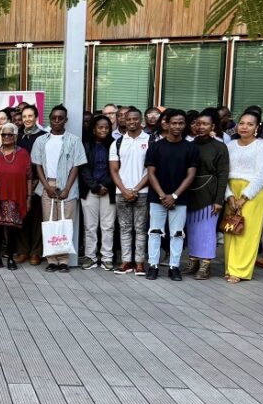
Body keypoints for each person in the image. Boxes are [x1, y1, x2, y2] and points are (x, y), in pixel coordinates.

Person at [31, 105, 87, 273]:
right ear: (49, 118)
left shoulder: (74, 140)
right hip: (47, 185)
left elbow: (77, 166)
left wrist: (67, 189)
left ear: (65, 120)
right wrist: (47, 186)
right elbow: (38, 165)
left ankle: (63, 260)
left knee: (65, 223)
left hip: (67, 186)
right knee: (49, 223)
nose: (56, 121)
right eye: (53, 118)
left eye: (60, 118)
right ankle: (52, 260)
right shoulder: (41, 140)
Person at [144, 112, 199, 281]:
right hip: (157, 197)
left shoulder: (190, 147)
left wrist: (174, 195)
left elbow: (191, 175)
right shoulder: (155, 146)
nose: (177, 126)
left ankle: (174, 267)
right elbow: (150, 173)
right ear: (166, 124)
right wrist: (162, 195)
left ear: (185, 125)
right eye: (173, 123)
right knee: (154, 232)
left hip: (179, 198)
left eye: (181, 123)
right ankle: (153, 265)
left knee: (177, 233)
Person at [224, 111, 263, 283]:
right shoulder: (230, 145)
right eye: (242, 123)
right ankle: (230, 267)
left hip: (253, 191)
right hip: (231, 189)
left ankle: (240, 270)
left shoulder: (262, 146)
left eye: (250, 124)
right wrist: (229, 196)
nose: (245, 127)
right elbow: (223, 173)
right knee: (232, 228)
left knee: (247, 231)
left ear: (257, 127)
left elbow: (262, 175)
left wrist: (244, 198)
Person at [184, 109, 230, 280]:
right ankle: (193, 260)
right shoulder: (189, 144)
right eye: (198, 123)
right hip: (190, 192)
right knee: (192, 229)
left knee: (207, 230)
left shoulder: (219, 146)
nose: (200, 127)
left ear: (213, 126)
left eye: (205, 124)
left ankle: (205, 265)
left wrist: (219, 200)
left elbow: (223, 174)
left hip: (210, 193)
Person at [0, 123, 31, 270]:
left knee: (12, 229)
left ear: (15, 136)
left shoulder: (23, 154)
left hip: (15, 196)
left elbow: (29, 177)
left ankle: (10, 258)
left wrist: (29, 198)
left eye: (10, 134)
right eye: (4, 135)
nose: (7, 137)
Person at [110, 107, 151, 276]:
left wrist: (135, 189)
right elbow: (113, 170)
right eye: (128, 119)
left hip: (143, 191)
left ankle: (140, 263)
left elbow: (151, 170)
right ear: (124, 121)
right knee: (125, 228)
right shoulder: (118, 142)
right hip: (122, 192)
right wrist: (124, 190)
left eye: (135, 119)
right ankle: (126, 261)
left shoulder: (150, 140)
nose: (132, 122)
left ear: (140, 120)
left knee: (140, 228)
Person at [79, 115, 116, 271]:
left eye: (106, 127)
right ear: (94, 129)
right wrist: (95, 186)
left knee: (108, 226)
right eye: (100, 127)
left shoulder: (115, 145)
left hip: (109, 190)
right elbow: (83, 168)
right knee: (90, 226)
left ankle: (107, 257)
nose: (103, 130)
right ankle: (90, 257)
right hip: (89, 190)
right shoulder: (86, 144)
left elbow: (116, 168)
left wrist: (105, 185)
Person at [15, 104, 46, 265]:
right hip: (20, 184)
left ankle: (36, 252)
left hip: (38, 182)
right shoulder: (18, 136)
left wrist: (36, 181)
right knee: (22, 217)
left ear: (36, 118)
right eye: (24, 116)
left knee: (36, 218)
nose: (27, 119)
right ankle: (23, 251)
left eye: (30, 116)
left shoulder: (43, 136)